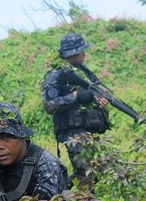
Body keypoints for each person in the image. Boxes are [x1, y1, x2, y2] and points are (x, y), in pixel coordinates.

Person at [42, 33, 110, 189]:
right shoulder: (55, 74)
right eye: (81, 52)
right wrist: (75, 96)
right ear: (71, 54)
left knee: (93, 169)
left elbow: (90, 92)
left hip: (86, 127)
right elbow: (49, 105)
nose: (84, 54)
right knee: (85, 172)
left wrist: (97, 100)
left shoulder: (79, 70)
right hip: (72, 131)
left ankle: (58, 192)